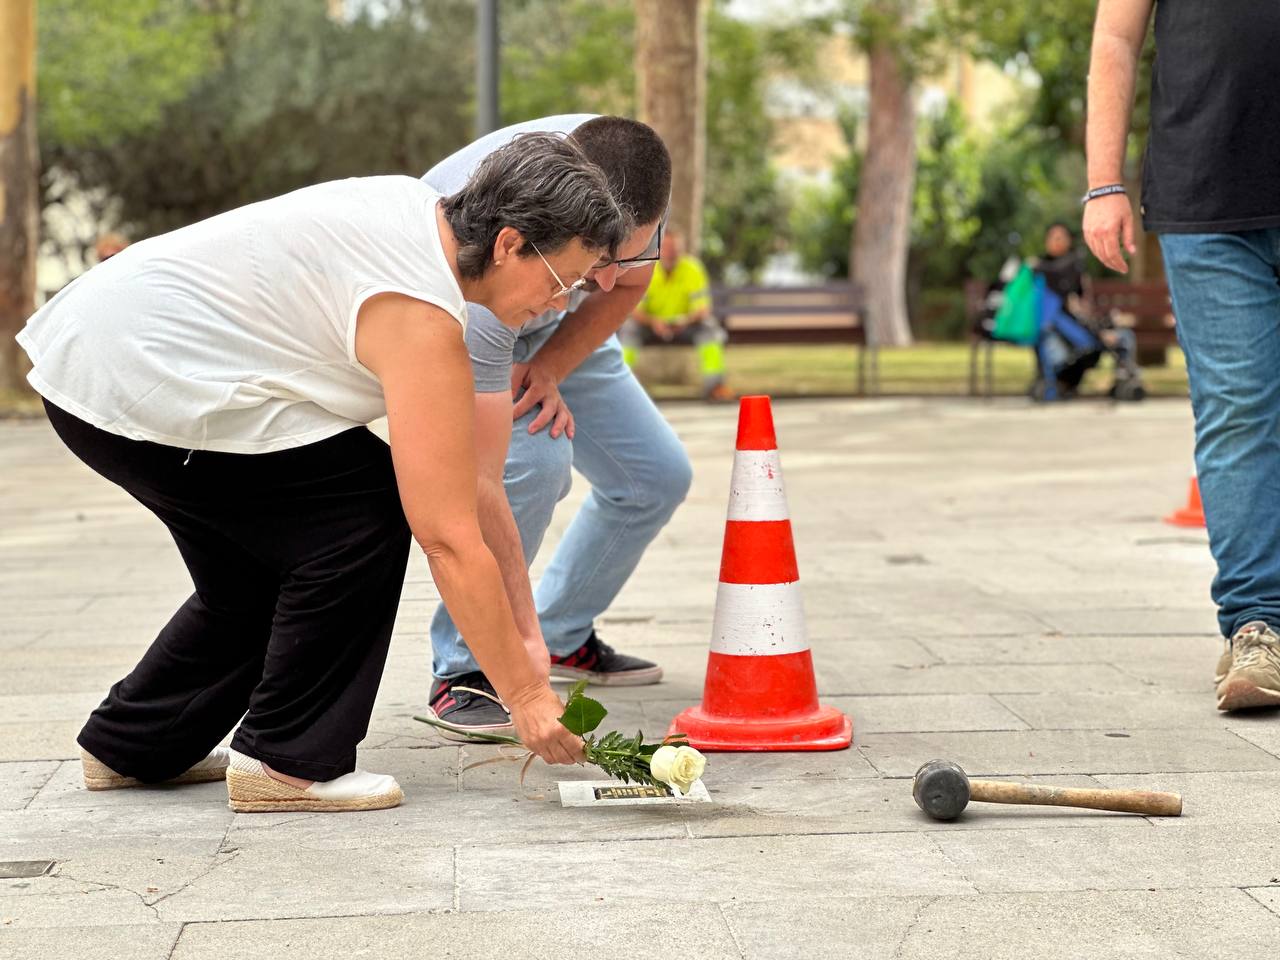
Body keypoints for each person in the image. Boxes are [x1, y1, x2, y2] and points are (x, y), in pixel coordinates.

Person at [15, 133, 626, 811]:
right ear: (510, 243)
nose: (561, 303)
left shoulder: (415, 212)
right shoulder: (419, 312)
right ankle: (287, 760)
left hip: (95, 353)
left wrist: (524, 644)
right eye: (560, 280)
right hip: (133, 372)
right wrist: (525, 696)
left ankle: (133, 744)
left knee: (258, 570)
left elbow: (474, 488)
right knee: (361, 515)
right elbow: (447, 535)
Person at [420, 115, 688, 740]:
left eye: (628, 254)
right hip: (481, 309)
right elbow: (481, 481)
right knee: (533, 464)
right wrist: (521, 653)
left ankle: (565, 634)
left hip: (553, 325)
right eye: (603, 259)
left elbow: (628, 285)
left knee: (655, 475)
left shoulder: (636, 182)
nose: (611, 276)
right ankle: (467, 668)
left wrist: (550, 368)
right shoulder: (491, 243)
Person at [1084, 1, 1280, 710]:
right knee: (1237, 412)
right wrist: (1104, 182)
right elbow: (1116, 33)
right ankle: (1259, 626)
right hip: (1207, 193)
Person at [621, 228, 729, 401]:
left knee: (709, 329)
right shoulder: (646, 268)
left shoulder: (693, 269)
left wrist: (685, 321)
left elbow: (703, 309)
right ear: (658, 249)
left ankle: (715, 387)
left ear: (682, 249)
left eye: (675, 248)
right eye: (666, 247)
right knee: (629, 329)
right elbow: (635, 310)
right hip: (651, 326)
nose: (671, 252)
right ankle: (622, 386)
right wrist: (653, 322)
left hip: (687, 325)